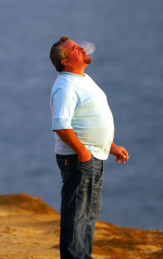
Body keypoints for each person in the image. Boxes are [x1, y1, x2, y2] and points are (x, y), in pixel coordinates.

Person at [49, 36, 129, 259]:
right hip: (80, 158)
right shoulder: (66, 86)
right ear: (65, 61)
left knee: (88, 214)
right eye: (75, 48)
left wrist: (110, 146)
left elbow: (87, 119)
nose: (81, 48)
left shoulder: (82, 79)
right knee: (77, 215)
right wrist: (84, 152)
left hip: (91, 155)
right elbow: (61, 126)